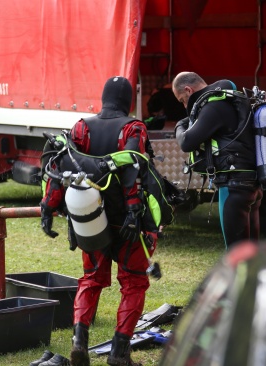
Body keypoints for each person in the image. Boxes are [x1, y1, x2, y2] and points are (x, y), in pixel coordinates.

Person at [40, 76, 155, 366]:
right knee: (134, 283)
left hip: (92, 219)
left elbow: (62, 166)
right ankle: (119, 353)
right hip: (128, 222)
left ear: (103, 97)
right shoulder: (134, 127)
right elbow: (132, 167)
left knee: (91, 279)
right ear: (128, 100)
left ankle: (79, 341)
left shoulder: (81, 127)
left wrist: (47, 206)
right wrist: (132, 210)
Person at [172, 71, 262, 248]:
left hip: (234, 186)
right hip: (251, 183)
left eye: (182, 100)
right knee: (251, 253)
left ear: (188, 90)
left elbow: (187, 142)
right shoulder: (228, 101)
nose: (185, 106)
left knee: (236, 253)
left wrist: (179, 126)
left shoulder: (214, 106)